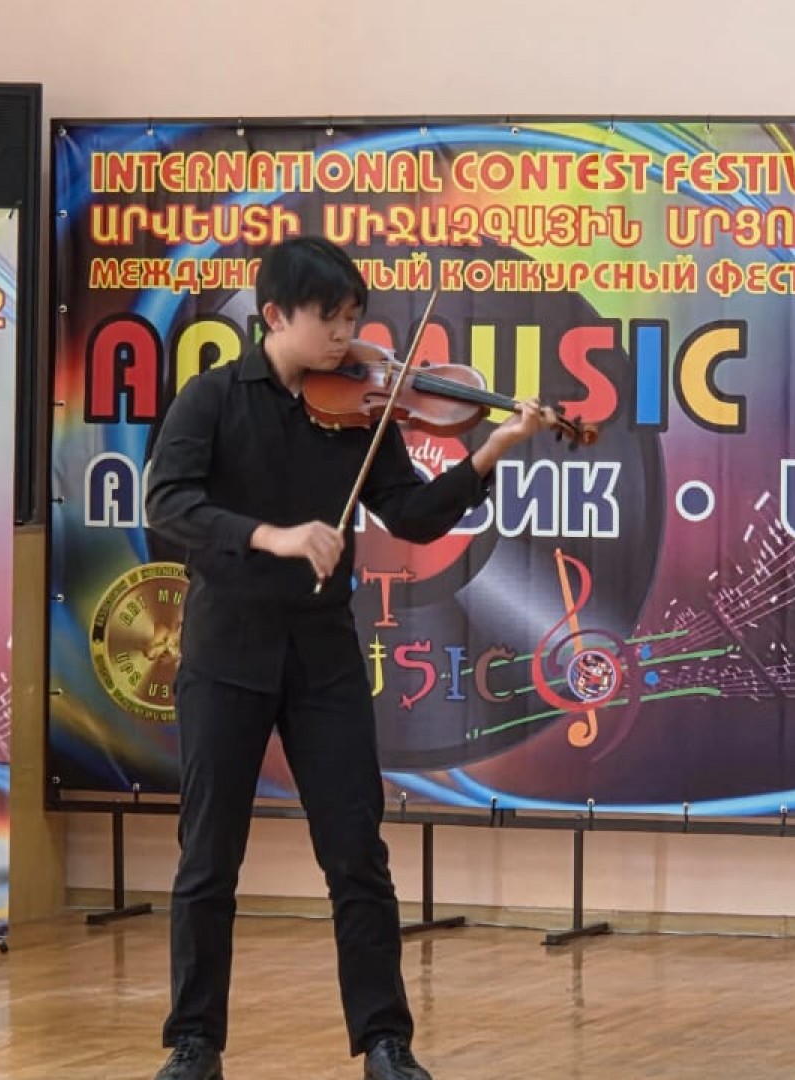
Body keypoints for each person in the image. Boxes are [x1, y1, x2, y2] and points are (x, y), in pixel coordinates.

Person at [143, 235, 547, 1080]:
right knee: (209, 856)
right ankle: (195, 1042)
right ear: (275, 314)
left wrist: (496, 446)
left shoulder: (364, 406)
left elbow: (415, 516)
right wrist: (274, 535)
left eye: (353, 317)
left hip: (323, 654)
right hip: (227, 651)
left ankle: (385, 1042)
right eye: (329, 317)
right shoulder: (211, 399)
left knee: (357, 853)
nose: (346, 336)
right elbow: (169, 504)